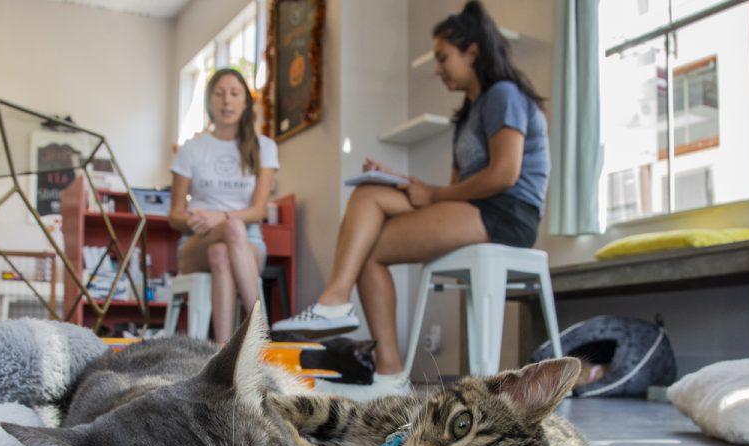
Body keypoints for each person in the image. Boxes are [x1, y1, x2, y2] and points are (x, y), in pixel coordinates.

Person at [272, 0, 549, 390]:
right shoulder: (467, 113)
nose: (438, 69)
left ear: (472, 52)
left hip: (508, 213)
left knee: (368, 242)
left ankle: (340, 309)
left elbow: (505, 174)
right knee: (368, 202)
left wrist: (432, 193)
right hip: (473, 206)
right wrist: (398, 180)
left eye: (443, 58)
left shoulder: (503, 95)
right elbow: (453, 188)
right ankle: (383, 365)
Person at [168, 68, 279, 344]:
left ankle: (221, 350)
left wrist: (221, 217)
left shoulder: (264, 147)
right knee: (226, 235)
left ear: (245, 102)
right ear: (209, 102)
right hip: (196, 242)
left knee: (222, 250)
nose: (226, 101)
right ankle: (258, 330)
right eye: (219, 94)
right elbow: (174, 215)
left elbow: (259, 210)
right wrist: (194, 220)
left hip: (249, 243)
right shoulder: (191, 149)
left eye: (234, 93)